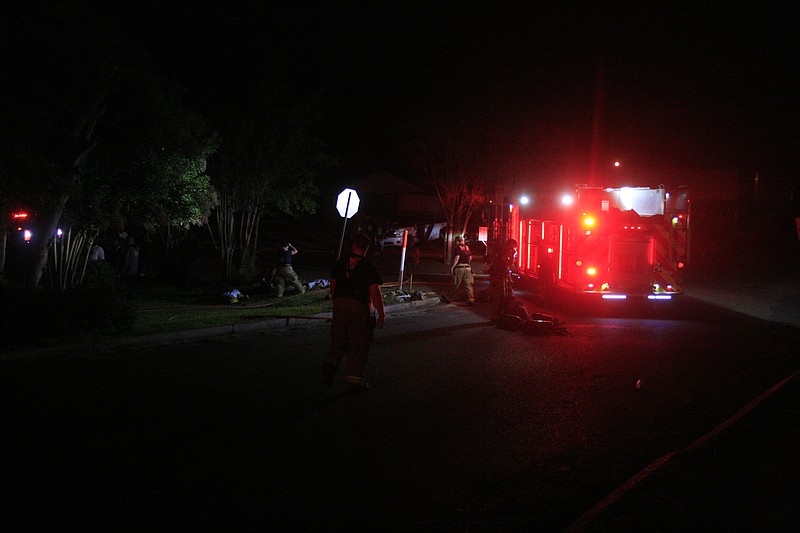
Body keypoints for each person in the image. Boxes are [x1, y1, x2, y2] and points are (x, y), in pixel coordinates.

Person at [322, 234, 386, 393]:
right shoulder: (368, 266)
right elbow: (374, 292)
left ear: (353, 246)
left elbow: (333, 285)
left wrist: (336, 304)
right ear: (366, 248)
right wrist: (381, 313)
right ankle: (354, 381)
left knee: (339, 338)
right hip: (359, 307)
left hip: (340, 304)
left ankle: (330, 365)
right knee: (359, 343)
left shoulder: (340, 263)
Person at [489, 238, 518, 322]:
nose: (514, 249)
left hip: (503, 277)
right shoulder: (503, 253)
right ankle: (495, 316)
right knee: (499, 297)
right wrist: (512, 256)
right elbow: (508, 264)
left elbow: (509, 267)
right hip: (499, 278)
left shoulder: (504, 252)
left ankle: (500, 315)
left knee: (504, 297)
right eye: (514, 247)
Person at [446, 235, 474, 304]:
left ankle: (449, 298)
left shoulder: (458, 248)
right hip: (468, 268)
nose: (455, 243)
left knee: (455, 283)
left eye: (456, 241)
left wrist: (453, 267)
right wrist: (468, 265)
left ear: (458, 241)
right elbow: (470, 258)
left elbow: (457, 257)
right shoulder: (467, 248)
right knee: (468, 285)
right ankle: (471, 299)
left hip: (460, 268)